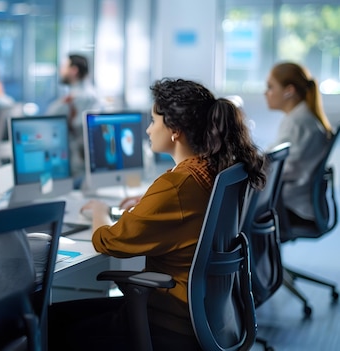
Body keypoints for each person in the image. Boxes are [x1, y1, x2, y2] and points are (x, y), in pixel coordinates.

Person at [48, 78, 266, 351]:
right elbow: (186, 209)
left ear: (174, 129)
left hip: (168, 322)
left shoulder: (177, 186)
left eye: (153, 121)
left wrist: (100, 212)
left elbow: (109, 242)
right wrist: (149, 202)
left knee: (51, 323)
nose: (149, 129)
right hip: (208, 317)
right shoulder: (211, 172)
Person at [265, 62, 334, 229]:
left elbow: (284, 170)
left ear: (289, 90)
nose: (265, 93)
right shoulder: (301, 118)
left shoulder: (299, 123)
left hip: (293, 206)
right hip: (299, 201)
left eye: (270, 87)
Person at [46, 54, 102, 184]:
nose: (61, 70)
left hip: (76, 172)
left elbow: (48, 119)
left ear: (74, 70)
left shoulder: (76, 99)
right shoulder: (93, 96)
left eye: (64, 67)